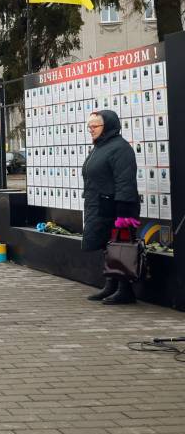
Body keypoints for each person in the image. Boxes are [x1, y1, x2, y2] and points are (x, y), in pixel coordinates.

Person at [83, 110, 141, 305]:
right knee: (107, 246)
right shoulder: (101, 147)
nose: (91, 130)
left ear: (107, 126)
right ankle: (111, 285)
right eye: (89, 126)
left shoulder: (120, 148)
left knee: (120, 247)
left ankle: (125, 291)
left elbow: (125, 181)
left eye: (95, 126)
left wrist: (123, 212)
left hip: (118, 208)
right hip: (101, 205)